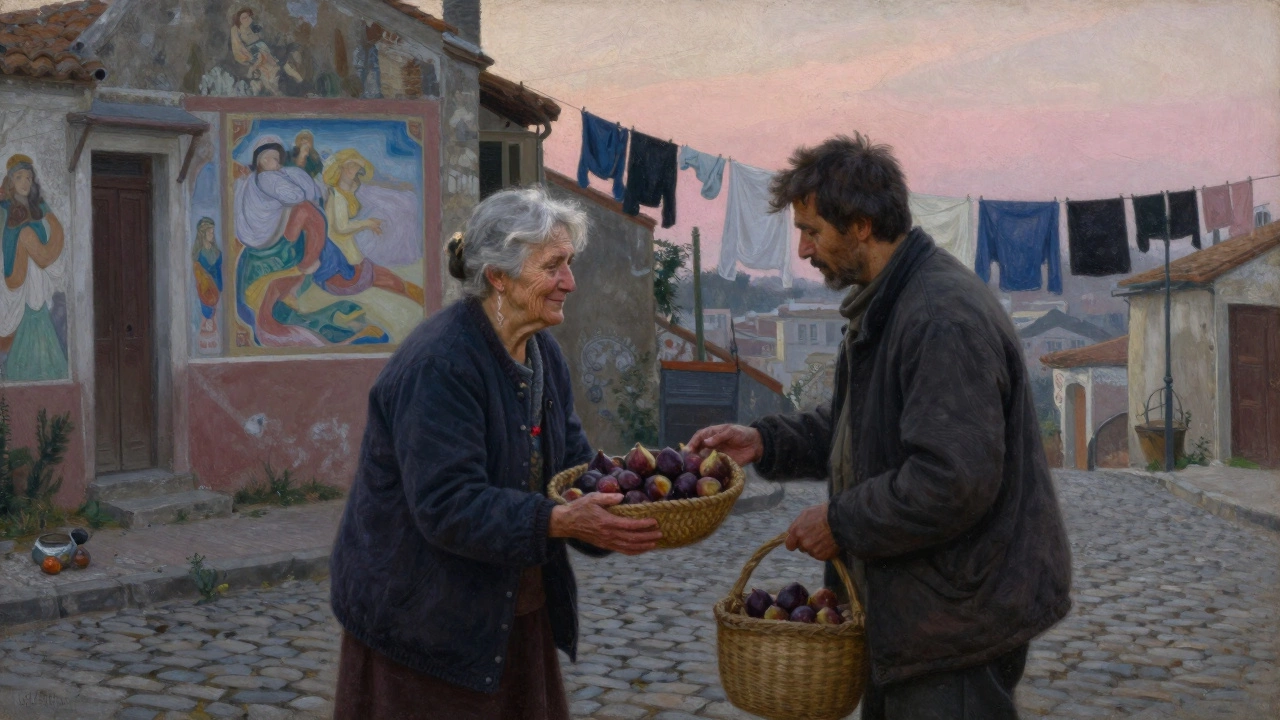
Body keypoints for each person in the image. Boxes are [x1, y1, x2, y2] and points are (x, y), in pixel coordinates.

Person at [689, 134, 1072, 719]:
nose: (803, 250)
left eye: (812, 231)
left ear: (862, 226)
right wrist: (766, 441)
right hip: (918, 617)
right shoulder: (891, 300)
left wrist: (839, 521)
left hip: (953, 625)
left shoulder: (939, 317)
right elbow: (860, 426)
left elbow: (952, 480)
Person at [330, 186, 663, 719]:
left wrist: (624, 499)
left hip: (510, 615)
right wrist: (560, 521)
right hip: (425, 627)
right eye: (552, 266)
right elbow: (447, 504)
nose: (569, 282)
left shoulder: (543, 353)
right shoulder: (441, 364)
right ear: (499, 277)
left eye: (569, 264)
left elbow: (571, 469)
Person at [321, 149, 425, 305]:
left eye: (356, 167)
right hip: (345, 267)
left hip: (344, 262)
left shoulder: (339, 194)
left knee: (393, 281)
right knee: (394, 282)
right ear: (340, 168)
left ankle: (421, 298)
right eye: (350, 166)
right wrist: (367, 223)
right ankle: (423, 299)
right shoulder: (338, 197)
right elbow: (341, 228)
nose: (353, 171)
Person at [0, 154, 67, 381]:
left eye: (28, 177)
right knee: (27, 234)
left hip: (37, 271)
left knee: (38, 316)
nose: (25, 182)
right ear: (11, 181)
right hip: (16, 270)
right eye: (19, 177)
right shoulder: (5, 206)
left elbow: (56, 228)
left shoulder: (39, 206)